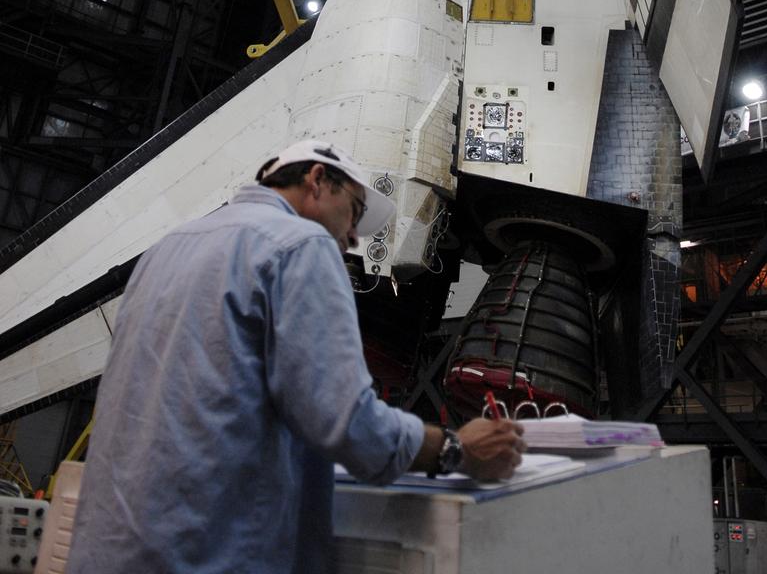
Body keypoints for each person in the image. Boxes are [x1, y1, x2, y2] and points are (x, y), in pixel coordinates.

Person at [65, 139, 523, 574]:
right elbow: (348, 425)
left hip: (107, 550)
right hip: (208, 554)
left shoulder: (168, 248)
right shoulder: (301, 246)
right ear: (318, 180)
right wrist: (457, 449)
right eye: (355, 214)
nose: (350, 239)